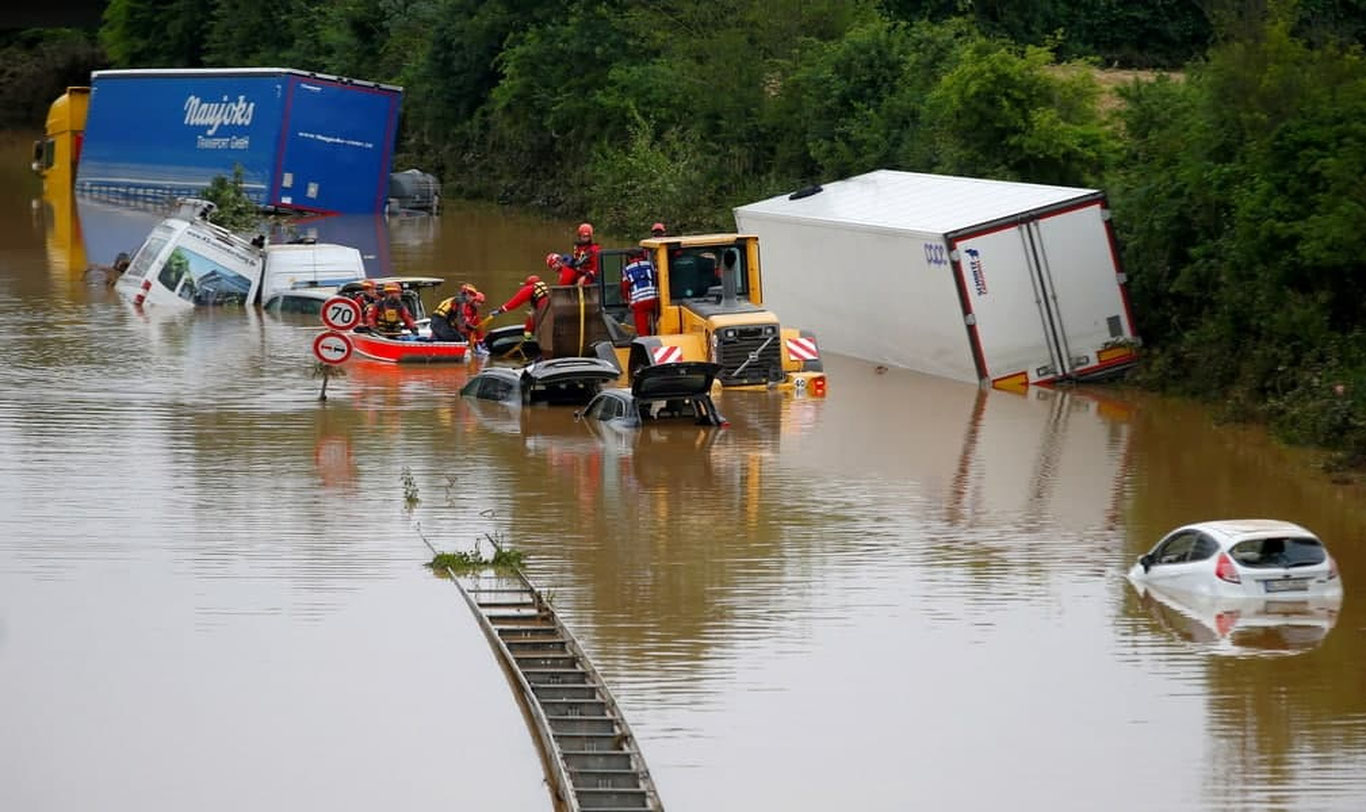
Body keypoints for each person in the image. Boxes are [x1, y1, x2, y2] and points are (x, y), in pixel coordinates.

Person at [620, 248, 659, 336]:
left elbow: (625, 287)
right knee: (658, 316)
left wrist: (627, 299)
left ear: (629, 259)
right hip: (654, 297)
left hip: (639, 301)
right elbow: (657, 277)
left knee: (641, 322)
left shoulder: (627, 270)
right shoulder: (650, 265)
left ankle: (644, 338)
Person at [568, 222, 600, 286]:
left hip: (589, 276)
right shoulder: (577, 247)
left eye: (587, 236)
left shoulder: (594, 249)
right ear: (580, 236)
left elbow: (596, 267)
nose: (585, 238)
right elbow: (576, 261)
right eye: (583, 236)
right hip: (579, 273)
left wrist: (586, 276)